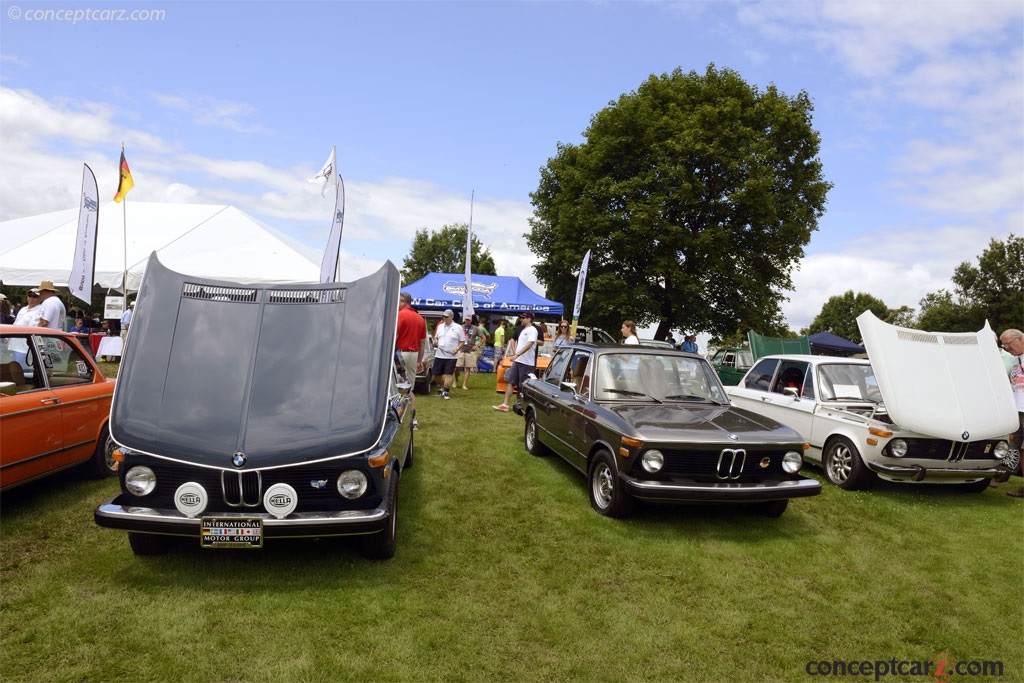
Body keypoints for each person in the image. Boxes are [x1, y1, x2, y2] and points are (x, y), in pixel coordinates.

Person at [494, 310, 538, 412]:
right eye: (521, 317)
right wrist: (516, 354)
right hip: (518, 361)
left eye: (523, 318)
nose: (521, 319)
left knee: (525, 386)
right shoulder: (523, 330)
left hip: (527, 363)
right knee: (510, 380)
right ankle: (505, 404)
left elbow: (530, 344)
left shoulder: (532, 330)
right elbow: (515, 341)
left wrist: (517, 354)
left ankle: (525, 407)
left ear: (529, 319)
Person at [395, 292, 427, 429]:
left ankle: (401, 417)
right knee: (409, 388)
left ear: (403, 302)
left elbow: (394, 336)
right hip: (414, 355)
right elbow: (423, 342)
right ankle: (413, 420)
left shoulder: (400, 315)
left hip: (400, 354)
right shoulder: (420, 319)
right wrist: (420, 360)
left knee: (397, 388)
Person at [999, 328, 1024, 498]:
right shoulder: (1015, 359)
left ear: (1020, 339)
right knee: (1018, 450)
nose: (1007, 347)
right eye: (1005, 345)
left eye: (1009, 343)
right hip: (1017, 411)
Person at [432, 309, 463, 400]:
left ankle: (446, 391)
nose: (444, 318)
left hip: (451, 356)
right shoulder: (440, 326)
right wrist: (435, 340)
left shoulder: (458, 327)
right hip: (439, 354)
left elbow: (462, 341)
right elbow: (436, 337)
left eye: (446, 317)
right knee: (437, 373)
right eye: (443, 317)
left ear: (451, 317)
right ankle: (439, 389)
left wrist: (456, 349)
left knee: (448, 374)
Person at [456, 314, 487, 390]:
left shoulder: (475, 328)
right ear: (464, 320)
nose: (467, 321)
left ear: (471, 320)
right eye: (466, 320)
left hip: (470, 350)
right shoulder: (460, 327)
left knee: (468, 368)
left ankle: (464, 384)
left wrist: (478, 346)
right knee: (457, 367)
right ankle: (456, 381)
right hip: (461, 349)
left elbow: (484, 338)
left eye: (468, 320)